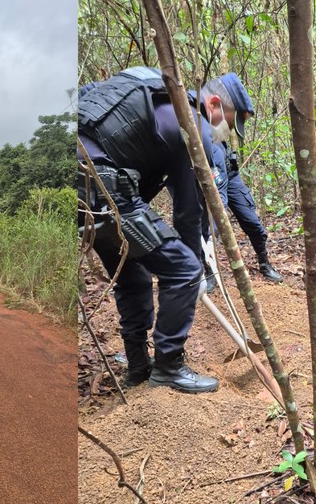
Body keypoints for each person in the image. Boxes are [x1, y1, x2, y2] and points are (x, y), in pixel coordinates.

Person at [78, 66, 221, 393]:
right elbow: (188, 212)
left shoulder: (132, 90)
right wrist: (194, 270)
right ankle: (169, 367)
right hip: (104, 187)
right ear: (210, 104)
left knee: (131, 273)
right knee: (182, 268)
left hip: (76, 189)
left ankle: (139, 367)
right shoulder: (190, 124)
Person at [199, 74, 284, 282]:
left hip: (231, 175)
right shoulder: (199, 129)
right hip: (212, 181)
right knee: (208, 227)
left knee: (252, 221)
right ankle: (209, 272)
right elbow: (218, 197)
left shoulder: (216, 131)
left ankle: (265, 263)